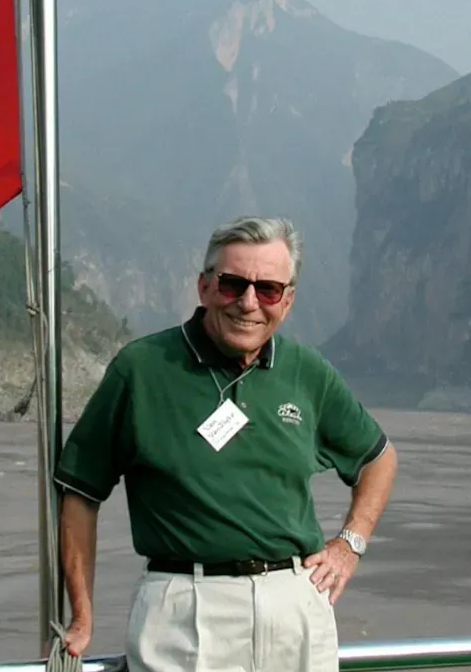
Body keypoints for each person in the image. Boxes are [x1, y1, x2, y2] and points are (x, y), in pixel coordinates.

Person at [54, 216, 398, 672]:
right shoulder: (141, 369)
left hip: (295, 606)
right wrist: (82, 616)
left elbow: (379, 458)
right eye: (233, 285)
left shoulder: (307, 373)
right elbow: (80, 491)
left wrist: (349, 544)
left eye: (269, 290)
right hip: (185, 608)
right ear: (204, 287)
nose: (249, 303)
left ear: (288, 301)